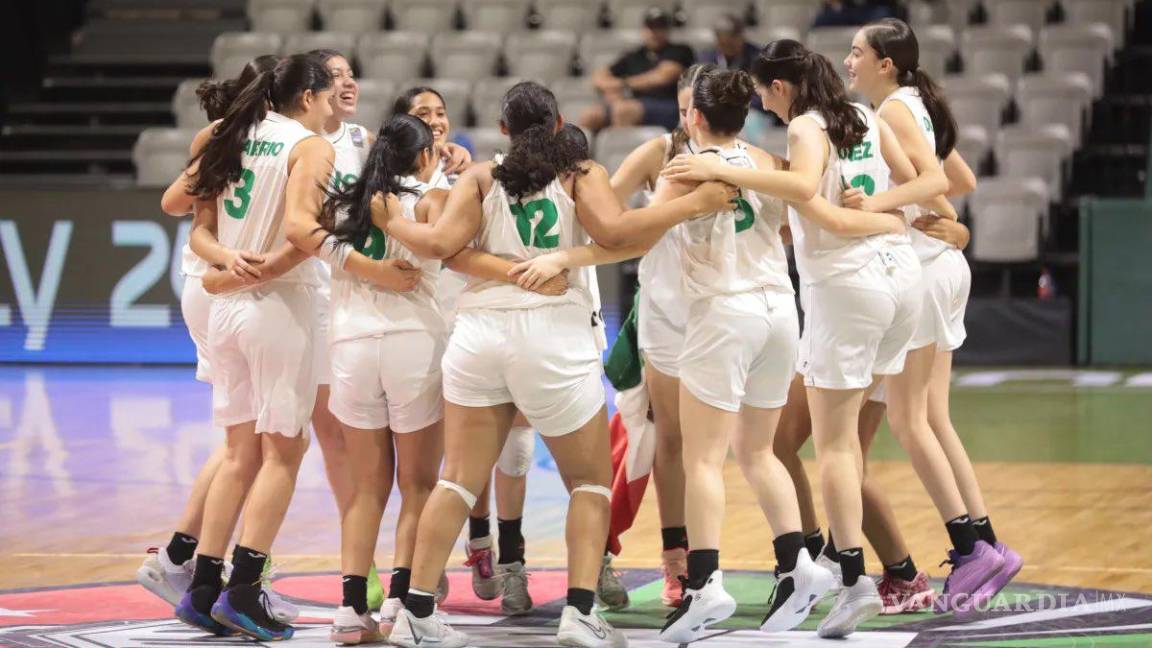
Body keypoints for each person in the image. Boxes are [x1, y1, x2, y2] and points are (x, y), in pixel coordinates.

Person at [374, 81, 735, 648]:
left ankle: (414, 614)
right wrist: (693, 204)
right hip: (552, 336)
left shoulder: (480, 177)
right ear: (560, 120)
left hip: (479, 335)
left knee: (457, 482)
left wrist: (390, 222)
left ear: (502, 131)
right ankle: (580, 612)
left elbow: (441, 244)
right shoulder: (578, 172)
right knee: (589, 483)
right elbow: (616, 233)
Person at [661, 39, 949, 638]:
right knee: (823, 444)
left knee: (837, 449)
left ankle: (853, 579)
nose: (762, 103)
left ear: (782, 88)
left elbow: (810, 193)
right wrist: (889, 212)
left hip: (846, 286)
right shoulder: (865, 115)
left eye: (767, 91)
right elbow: (931, 180)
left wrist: (717, 166)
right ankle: (881, 569)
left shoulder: (803, 132)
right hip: (901, 281)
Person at [844, 18, 1021, 613]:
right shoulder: (916, 102)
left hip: (921, 268)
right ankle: (989, 541)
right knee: (933, 417)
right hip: (942, 264)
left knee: (909, 420)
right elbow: (960, 178)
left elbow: (940, 181)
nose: (848, 62)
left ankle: (969, 548)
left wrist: (887, 203)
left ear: (885, 63)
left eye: (857, 52)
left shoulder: (893, 109)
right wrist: (949, 220)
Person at [173, 53, 336, 641]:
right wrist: (294, 256)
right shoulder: (308, 145)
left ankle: (202, 588)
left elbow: (197, 224)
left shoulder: (233, 133)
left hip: (227, 305)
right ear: (311, 95)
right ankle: (244, 589)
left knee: (240, 453)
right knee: (283, 455)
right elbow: (300, 230)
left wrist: (226, 269)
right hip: (277, 302)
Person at [140, 53, 297, 625]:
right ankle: (197, 562)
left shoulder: (241, 134)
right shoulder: (244, 136)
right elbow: (174, 202)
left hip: (218, 278)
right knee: (253, 442)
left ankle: (194, 561)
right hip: (221, 281)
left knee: (244, 439)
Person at [393, 85, 539, 615]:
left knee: (516, 448)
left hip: (492, 317)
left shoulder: (474, 172)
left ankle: (511, 561)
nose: (434, 121)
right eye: (421, 114)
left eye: (439, 112)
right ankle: (476, 546)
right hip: (434, 327)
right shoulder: (394, 181)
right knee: (461, 459)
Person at [580, 7, 695, 132]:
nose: (655, 32)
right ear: (644, 29)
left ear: (667, 30)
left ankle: (624, 151)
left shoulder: (679, 50)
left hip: (669, 105)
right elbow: (599, 77)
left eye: (660, 28)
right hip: (635, 103)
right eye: (651, 27)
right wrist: (613, 94)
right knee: (590, 116)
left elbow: (662, 77)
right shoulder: (635, 55)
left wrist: (622, 84)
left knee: (624, 111)